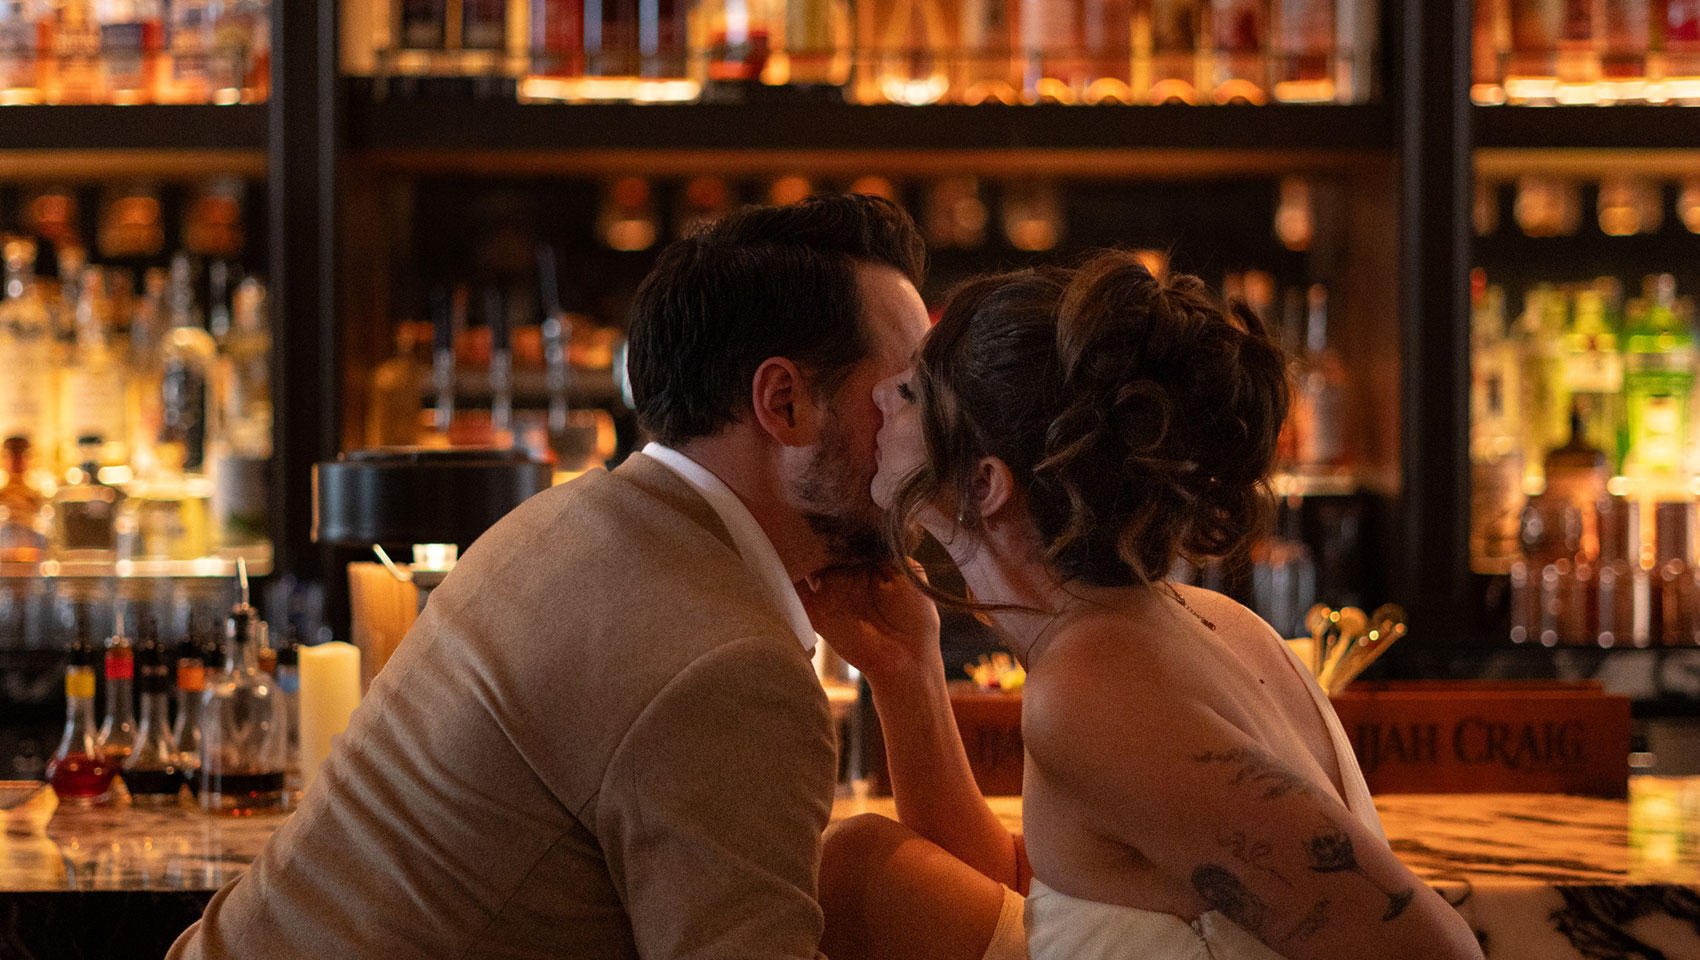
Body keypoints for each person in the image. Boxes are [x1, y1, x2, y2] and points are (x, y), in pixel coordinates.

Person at [167, 194, 931, 960]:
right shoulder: (730, 670)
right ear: (786, 404)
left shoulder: (571, 520)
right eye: (905, 396)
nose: (934, 435)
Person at [804, 253, 1485, 960]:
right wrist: (906, 671)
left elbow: (1438, 952)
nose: (882, 395)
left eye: (911, 393)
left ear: (984, 485)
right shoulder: (1187, 621)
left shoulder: (1094, 687)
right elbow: (1038, 902)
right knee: (861, 865)